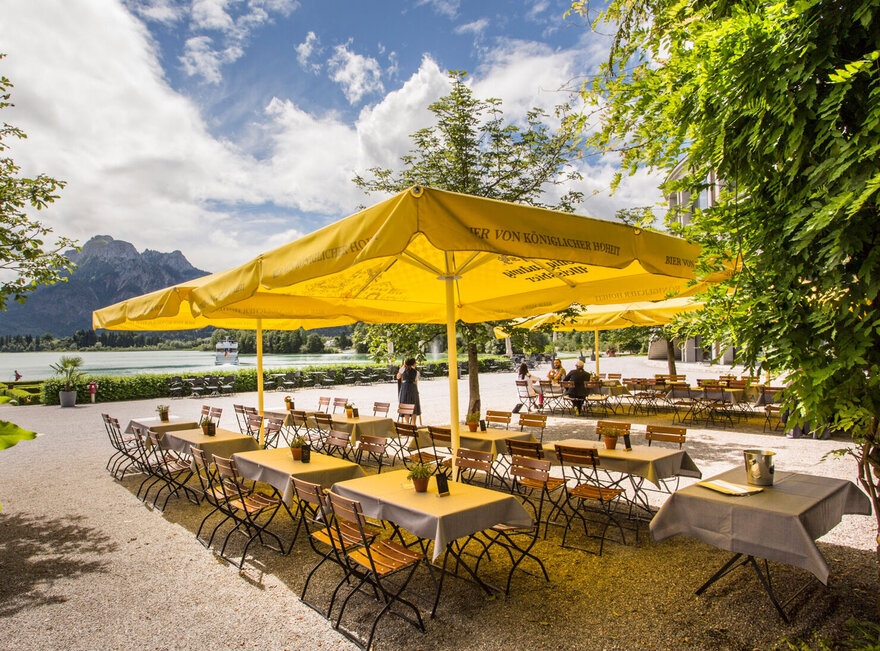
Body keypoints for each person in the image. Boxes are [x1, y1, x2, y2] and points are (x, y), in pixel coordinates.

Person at [397, 357, 422, 425]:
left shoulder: (403, 369)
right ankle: (413, 424)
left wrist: (401, 369)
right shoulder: (416, 372)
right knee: (414, 405)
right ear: (413, 364)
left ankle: (407, 423)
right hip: (413, 388)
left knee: (406, 405)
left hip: (405, 387)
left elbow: (398, 377)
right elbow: (415, 381)